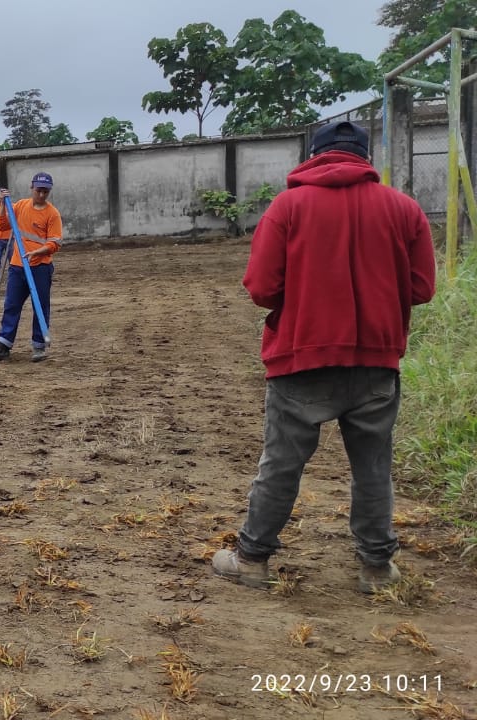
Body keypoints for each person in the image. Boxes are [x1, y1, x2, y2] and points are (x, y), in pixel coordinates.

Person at [212, 119, 436, 594]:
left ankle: (251, 560)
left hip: (301, 358)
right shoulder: (404, 209)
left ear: (313, 157)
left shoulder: (287, 207)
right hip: (376, 360)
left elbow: (261, 287)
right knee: (373, 467)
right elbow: (421, 288)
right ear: (366, 159)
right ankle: (376, 570)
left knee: (281, 463)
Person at [0, 172, 61, 363]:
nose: (41, 194)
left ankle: (39, 346)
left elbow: (55, 243)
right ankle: (3, 346)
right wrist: (3, 204)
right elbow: (3, 224)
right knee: (11, 305)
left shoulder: (52, 214)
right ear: (32, 188)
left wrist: (38, 252)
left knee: (40, 306)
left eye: (45, 191)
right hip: (18, 266)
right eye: (38, 190)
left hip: (40, 267)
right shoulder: (21, 206)